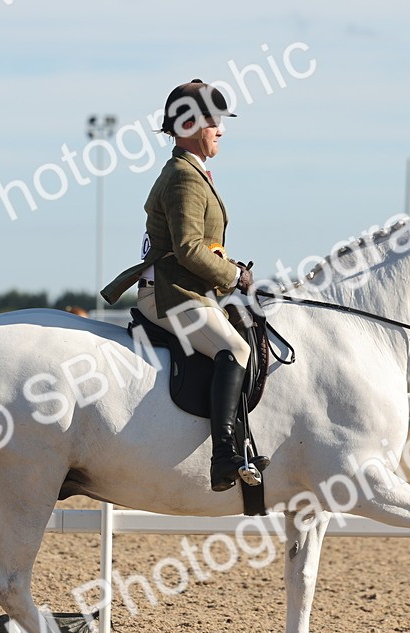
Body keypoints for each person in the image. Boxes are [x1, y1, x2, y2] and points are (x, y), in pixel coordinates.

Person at [101, 79, 265, 492]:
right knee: (236, 348)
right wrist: (232, 276)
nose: (221, 130)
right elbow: (190, 249)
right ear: (189, 124)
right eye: (213, 121)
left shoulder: (190, 172)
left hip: (186, 289)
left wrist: (229, 263)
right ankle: (225, 455)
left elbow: (200, 245)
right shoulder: (184, 178)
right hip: (173, 294)